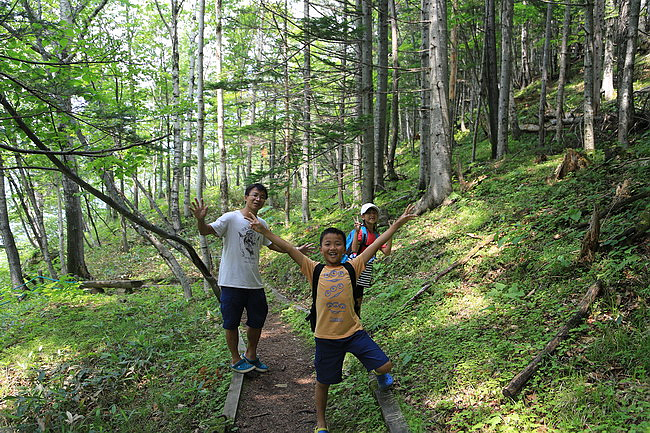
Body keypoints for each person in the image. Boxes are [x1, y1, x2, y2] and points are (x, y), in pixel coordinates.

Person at [245, 204, 417, 433]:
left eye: (337, 243)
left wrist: (397, 223)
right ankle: (321, 423)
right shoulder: (313, 268)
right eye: (328, 244)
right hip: (326, 338)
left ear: (343, 248)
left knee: (386, 365)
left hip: (354, 333)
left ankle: (378, 373)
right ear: (321, 248)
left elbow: (376, 244)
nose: (333, 247)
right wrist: (264, 232)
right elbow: (288, 248)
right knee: (323, 382)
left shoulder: (352, 266)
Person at [190, 183, 312, 374]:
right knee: (231, 322)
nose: (258, 199)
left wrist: (294, 251)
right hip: (231, 282)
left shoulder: (262, 224)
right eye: (255, 195)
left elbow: (273, 245)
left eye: (262, 196)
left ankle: (251, 354)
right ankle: (235, 358)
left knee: (257, 320)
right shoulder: (231, 218)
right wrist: (200, 220)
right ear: (246, 197)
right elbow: (205, 230)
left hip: (254, 282)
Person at [346, 202, 392, 316]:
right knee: (350, 296)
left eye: (374, 213)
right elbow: (354, 250)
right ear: (363, 216)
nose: (372, 215)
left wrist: (390, 234)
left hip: (366, 268)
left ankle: (356, 321)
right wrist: (356, 233)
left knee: (359, 297)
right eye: (369, 213)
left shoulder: (376, 235)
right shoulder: (361, 231)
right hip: (354, 266)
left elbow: (386, 252)